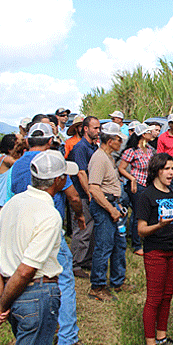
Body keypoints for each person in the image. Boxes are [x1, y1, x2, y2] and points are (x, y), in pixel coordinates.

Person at [0, 150, 75, 345]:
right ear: (57, 181)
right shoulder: (50, 215)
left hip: (13, 291)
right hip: (37, 293)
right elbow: (25, 271)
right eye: (64, 176)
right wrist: (1, 305)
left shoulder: (13, 202)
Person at [7, 122, 94, 345]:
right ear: (49, 142)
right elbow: (73, 196)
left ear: (27, 141)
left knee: (29, 276)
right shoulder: (51, 164)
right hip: (49, 228)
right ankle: (67, 337)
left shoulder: (16, 166)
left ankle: (30, 324)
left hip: (24, 229)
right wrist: (79, 216)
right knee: (63, 279)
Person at [137, 153, 173, 345]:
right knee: (154, 298)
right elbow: (141, 230)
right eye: (167, 168)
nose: (171, 173)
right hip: (155, 252)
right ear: (157, 170)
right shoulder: (146, 196)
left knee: (168, 296)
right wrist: (159, 225)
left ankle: (162, 336)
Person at [87, 121, 127, 301]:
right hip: (104, 208)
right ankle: (97, 286)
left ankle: (117, 281)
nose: (121, 143)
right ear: (110, 141)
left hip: (112, 205)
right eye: (119, 139)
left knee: (118, 245)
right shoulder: (99, 158)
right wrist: (111, 209)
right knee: (103, 247)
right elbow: (94, 188)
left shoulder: (108, 158)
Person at [68, 116, 100, 277]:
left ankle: (87, 259)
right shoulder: (80, 148)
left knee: (92, 228)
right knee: (82, 229)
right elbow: (81, 173)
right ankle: (75, 263)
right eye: (95, 128)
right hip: (82, 195)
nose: (98, 131)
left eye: (99, 128)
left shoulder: (93, 147)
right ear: (85, 129)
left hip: (91, 195)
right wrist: (89, 193)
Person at [119, 122, 156, 256]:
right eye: (148, 132)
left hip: (148, 184)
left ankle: (145, 238)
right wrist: (132, 179)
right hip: (137, 184)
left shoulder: (150, 150)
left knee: (147, 212)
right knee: (137, 214)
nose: (151, 134)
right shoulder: (132, 151)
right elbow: (121, 168)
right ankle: (136, 244)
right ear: (142, 135)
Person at [0, 134, 23, 209]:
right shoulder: (5, 159)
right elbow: (20, 162)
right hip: (4, 203)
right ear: (9, 149)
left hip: (9, 202)